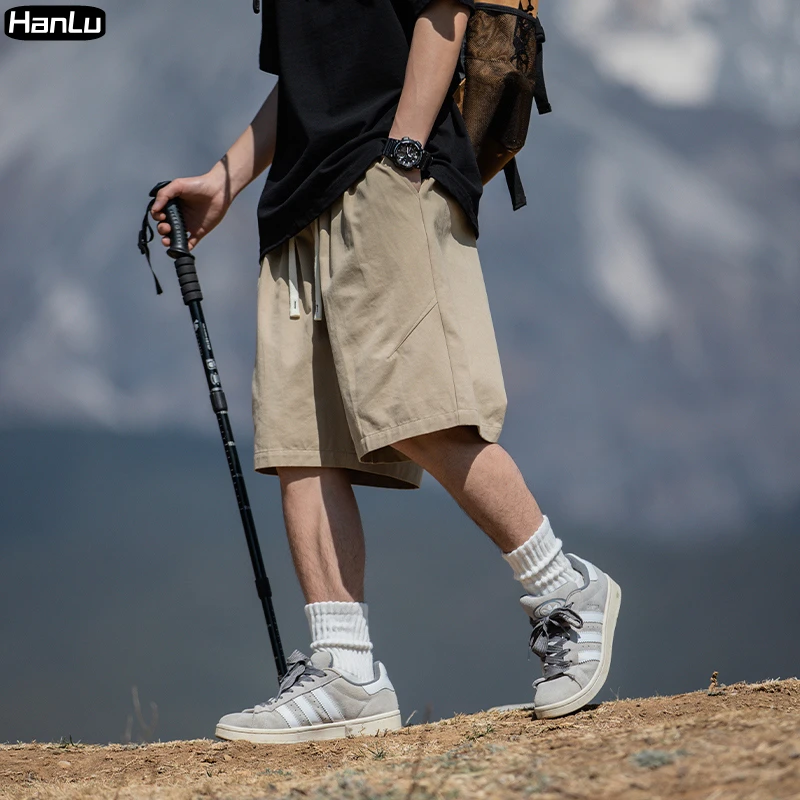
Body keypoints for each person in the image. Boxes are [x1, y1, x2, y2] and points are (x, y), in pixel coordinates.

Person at [150, 0, 621, 743]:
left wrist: (403, 149)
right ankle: (346, 671)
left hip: (388, 177)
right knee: (299, 441)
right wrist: (226, 178)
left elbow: (446, 11)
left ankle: (563, 587)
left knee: (424, 411)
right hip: (298, 199)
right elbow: (308, 85)